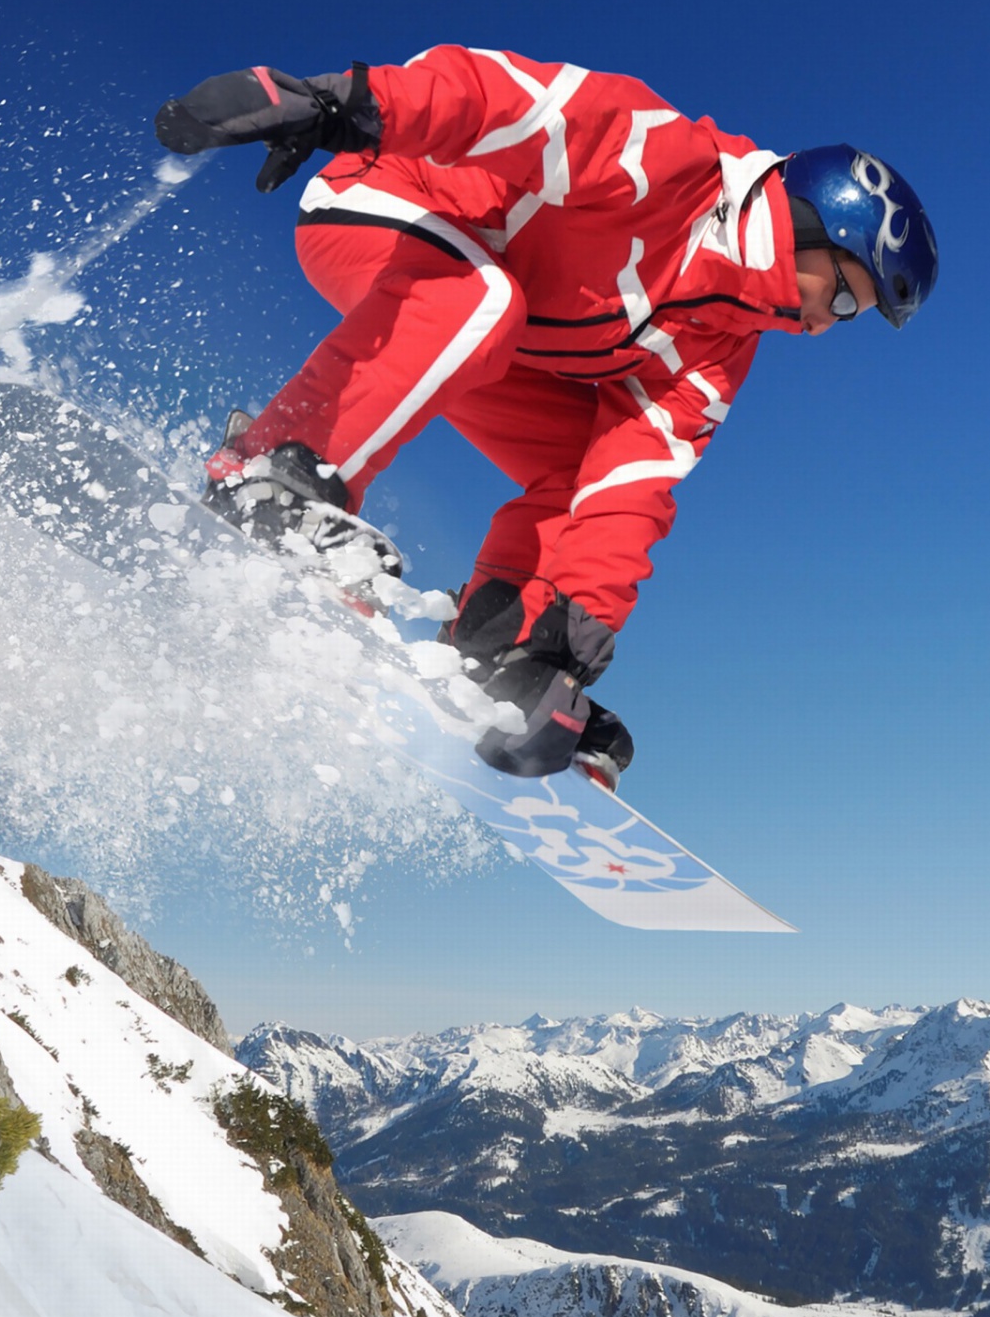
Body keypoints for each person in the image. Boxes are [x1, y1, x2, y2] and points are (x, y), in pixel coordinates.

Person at [153, 47, 935, 787]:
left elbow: (636, 475)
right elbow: (507, 104)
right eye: (839, 296)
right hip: (387, 203)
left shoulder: (721, 342)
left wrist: (565, 644)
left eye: (850, 317)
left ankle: (494, 648)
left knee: (578, 466)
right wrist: (344, 104)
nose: (826, 325)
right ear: (809, 224)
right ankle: (266, 473)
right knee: (482, 300)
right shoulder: (670, 167)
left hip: (481, 329)